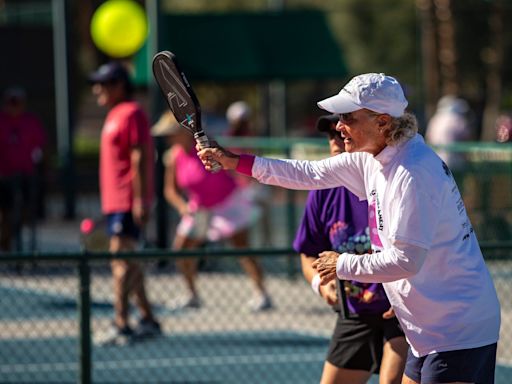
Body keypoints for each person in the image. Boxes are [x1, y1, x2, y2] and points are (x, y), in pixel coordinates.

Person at [198, 73, 501, 384]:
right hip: (428, 329)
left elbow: (406, 260)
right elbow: (307, 174)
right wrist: (234, 162)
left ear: (383, 122)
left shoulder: (412, 173)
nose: (339, 125)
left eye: (348, 117)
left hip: (458, 329)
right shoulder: (375, 158)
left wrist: (340, 263)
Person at [294, 114, 407, 384]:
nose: (336, 140)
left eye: (342, 132)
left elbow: (419, 251)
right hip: (355, 311)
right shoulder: (322, 191)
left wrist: (409, 292)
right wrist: (321, 284)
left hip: (401, 311)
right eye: (331, 135)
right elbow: (308, 253)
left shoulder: (395, 180)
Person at [152, 111, 272, 312]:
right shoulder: (173, 157)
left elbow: (232, 167)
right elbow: (170, 190)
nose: (169, 138)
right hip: (199, 209)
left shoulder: (206, 147)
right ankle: (192, 295)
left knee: (242, 248)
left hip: (228, 203)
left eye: (171, 133)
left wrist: (251, 188)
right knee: (181, 249)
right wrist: (182, 207)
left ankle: (262, 294)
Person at [89, 61, 161, 345]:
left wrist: (140, 201)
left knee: (120, 262)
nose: (97, 90)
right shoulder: (114, 114)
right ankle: (148, 318)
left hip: (127, 201)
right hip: (115, 202)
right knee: (129, 261)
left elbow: (139, 157)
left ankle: (121, 323)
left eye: (103, 84)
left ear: (119, 86)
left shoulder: (131, 113)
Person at [0, 86, 46, 252]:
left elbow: (39, 148)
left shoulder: (31, 122)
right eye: (11, 102)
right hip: (4, 177)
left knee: (26, 211)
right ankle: (6, 242)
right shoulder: (2, 121)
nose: (14, 106)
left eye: (17, 102)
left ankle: (20, 243)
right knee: (5, 213)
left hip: (26, 176)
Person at [425, 95, 473, 171]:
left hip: (434, 161)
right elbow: (466, 138)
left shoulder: (434, 119)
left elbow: (428, 138)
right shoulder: (458, 119)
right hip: (453, 162)